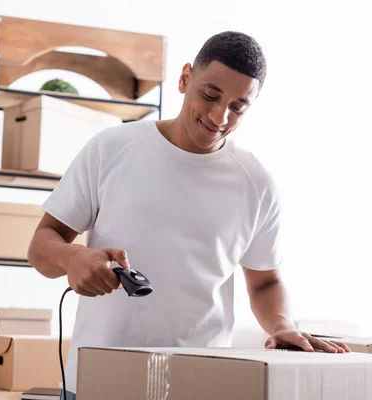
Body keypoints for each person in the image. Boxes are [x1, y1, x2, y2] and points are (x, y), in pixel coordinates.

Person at [27, 31, 351, 399]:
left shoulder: (256, 183)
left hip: (199, 383)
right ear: (185, 79)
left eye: (237, 107)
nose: (219, 116)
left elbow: (265, 282)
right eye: (210, 95)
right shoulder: (112, 148)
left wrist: (280, 325)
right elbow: (41, 246)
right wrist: (73, 257)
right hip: (99, 381)